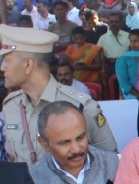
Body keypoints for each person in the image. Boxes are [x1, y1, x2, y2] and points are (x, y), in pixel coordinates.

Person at [1, 25, 116, 164]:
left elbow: (110, 158)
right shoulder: (12, 105)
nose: (2, 68)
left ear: (28, 65)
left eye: (7, 60)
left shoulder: (80, 105)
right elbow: (13, 157)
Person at [97, 12, 130, 82]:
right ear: (108, 23)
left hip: (126, 65)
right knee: (112, 90)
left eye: (116, 22)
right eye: (111, 22)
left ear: (121, 23)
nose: (114, 24)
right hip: (110, 67)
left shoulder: (128, 36)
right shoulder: (103, 38)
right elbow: (98, 54)